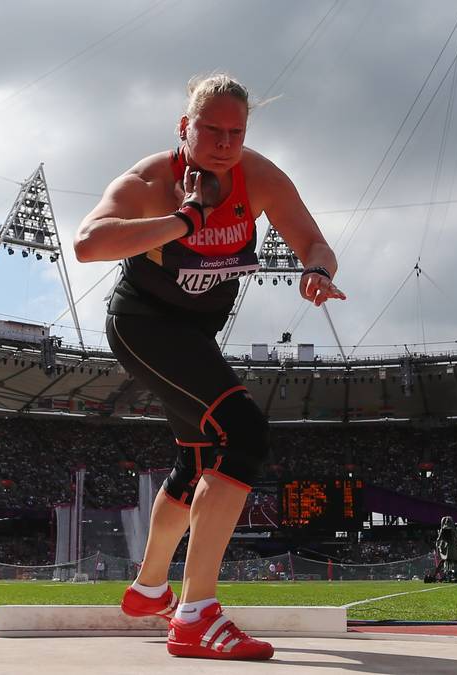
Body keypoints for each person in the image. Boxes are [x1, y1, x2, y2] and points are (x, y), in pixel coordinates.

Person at [77, 73, 345, 661]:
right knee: (244, 431)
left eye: (236, 132)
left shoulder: (260, 178)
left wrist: (319, 273)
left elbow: (316, 243)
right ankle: (196, 614)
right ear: (184, 127)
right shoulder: (153, 180)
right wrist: (187, 220)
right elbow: (88, 244)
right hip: (143, 325)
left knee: (197, 459)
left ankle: (150, 590)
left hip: (196, 335)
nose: (225, 142)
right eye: (212, 129)